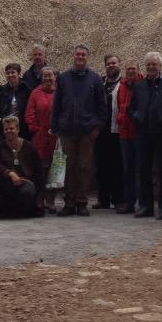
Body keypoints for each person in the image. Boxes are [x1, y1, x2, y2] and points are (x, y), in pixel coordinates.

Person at [51, 44, 106, 217]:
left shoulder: (95, 79)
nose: (80, 57)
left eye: (83, 55)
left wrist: (97, 128)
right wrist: (56, 127)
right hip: (67, 130)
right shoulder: (64, 78)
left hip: (87, 132)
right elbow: (57, 104)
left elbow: (102, 107)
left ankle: (82, 202)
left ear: (87, 57)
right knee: (69, 167)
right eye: (78, 54)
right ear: (73, 56)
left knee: (84, 167)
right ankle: (69, 202)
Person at [129, 51, 162, 219]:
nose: (151, 67)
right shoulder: (140, 85)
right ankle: (145, 206)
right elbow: (131, 107)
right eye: (148, 64)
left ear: (160, 66)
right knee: (143, 170)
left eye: (154, 64)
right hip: (143, 133)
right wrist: (137, 117)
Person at [0, 116, 43, 218]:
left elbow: (38, 171)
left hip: (24, 183)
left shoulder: (29, 147)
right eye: (6, 129)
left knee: (27, 191)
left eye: (11, 128)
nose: (8, 131)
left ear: (18, 129)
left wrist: (40, 197)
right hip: (6, 183)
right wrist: (10, 173)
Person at [25, 66, 58, 213]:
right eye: (45, 76)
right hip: (40, 137)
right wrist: (36, 129)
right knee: (40, 169)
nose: (47, 78)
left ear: (55, 77)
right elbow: (29, 114)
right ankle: (40, 198)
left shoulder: (59, 93)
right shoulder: (35, 93)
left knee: (54, 170)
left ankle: (51, 200)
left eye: (50, 76)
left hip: (56, 138)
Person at [93, 53, 124, 210]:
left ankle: (118, 198)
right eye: (109, 64)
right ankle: (103, 198)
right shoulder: (101, 83)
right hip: (101, 130)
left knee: (118, 165)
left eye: (114, 63)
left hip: (117, 130)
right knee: (102, 164)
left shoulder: (124, 83)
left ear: (119, 64)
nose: (111, 66)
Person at [116, 59, 141, 214]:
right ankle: (129, 202)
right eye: (128, 69)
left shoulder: (142, 85)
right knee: (128, 169)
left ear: (138, 70)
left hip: (139, 132)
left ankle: (143, 201)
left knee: (141, 169)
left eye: (133, 69)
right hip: (124, 133)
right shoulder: (122, 86)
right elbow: (119, 106)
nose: (130, 71)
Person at [0, 62, 31, 140]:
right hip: (4, 128)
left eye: (13, 72)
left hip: (21, 129)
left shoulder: (26, 90)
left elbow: (30, 109)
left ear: (19, 74)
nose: (10, 75)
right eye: (8, 73)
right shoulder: (1, 90)